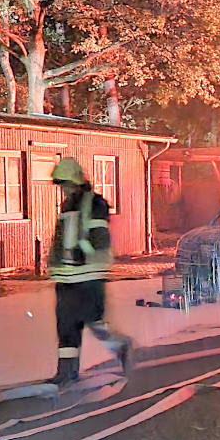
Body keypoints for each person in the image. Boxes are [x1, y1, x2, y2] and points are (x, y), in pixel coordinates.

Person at [47, 157, 131, 387]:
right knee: (66, 324)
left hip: (89, 276)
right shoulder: (69, 204)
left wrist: (83, 253)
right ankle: (66, 373)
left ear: (75, 181)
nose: (63, 189)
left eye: (66, 184)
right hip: (67, 276)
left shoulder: (95, 204)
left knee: (93, 320)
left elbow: (99, 238)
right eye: (61, 185)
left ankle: (122, 348)